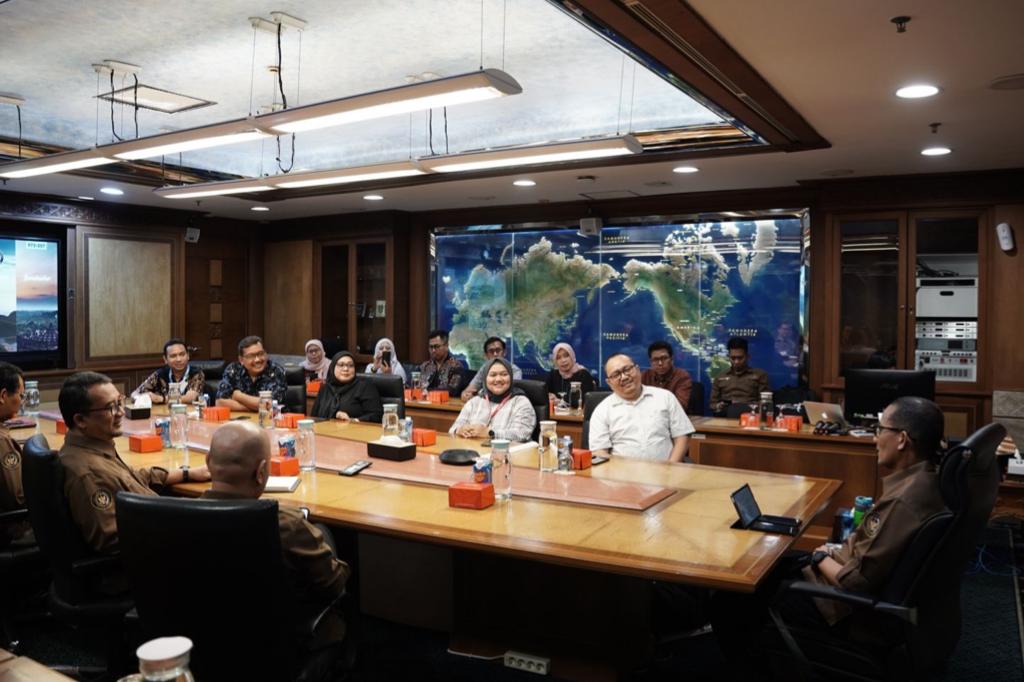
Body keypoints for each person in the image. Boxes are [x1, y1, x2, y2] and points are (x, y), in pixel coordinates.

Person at [710, 396, 948, 677]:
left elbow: (854, 582)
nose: (875, 439)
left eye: (880, 430)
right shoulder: (926, 482)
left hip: (838, 605)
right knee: (771, 561)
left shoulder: (902, 501)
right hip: (845, 574)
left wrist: (821, 556)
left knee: (732, 598)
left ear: (901, 440)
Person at [202, 420, 350, 646]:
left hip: (204, 642)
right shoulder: (286, 525)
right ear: (261, 472)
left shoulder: (175, 515)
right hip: (282, 645)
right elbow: (333, 584)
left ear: (208, 463)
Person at [58, 372, 210, 554]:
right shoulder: (88, 473)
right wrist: (183, 524)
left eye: (120, 402)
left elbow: (130, 478)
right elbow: (112, 539)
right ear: (80, 420)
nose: (121, 412)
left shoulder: (95, 448)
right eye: (111, 408)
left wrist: (187, 473)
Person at [589, 353, 695, 463]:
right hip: (621, 472)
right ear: (609, 383)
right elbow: (599, 453)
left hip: (666, 470)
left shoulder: (665, 397)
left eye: (627, 369)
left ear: (637, 369)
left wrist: (670, 467)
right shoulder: (602, 410)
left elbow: (682, 437)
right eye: (616, 375)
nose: (624, 377)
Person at [450, 358, 536, 442]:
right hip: (473, 450)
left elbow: (522, 434)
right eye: (493, 375)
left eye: (504, 374)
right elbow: (452, 429)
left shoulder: (521, 402)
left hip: (507, 451)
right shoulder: (474, 402)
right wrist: (459, 430)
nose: (498, 379)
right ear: (485, 379)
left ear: (511, 377)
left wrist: (490, 433)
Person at [0, 361, 30, 547]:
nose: (22, 401)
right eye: (21, 395)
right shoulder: (2, 441)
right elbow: (18, 499)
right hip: (11, 532)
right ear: (3, 396)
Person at [216, 336, 287, 412]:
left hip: (271, 419)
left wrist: (239, 396)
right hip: (241, 418)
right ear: (241, 360)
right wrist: (255, 407)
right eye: (251, 356)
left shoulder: (276, 371)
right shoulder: (233, 370)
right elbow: (220, 402)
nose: (257, 359)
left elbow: (270, 405)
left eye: (260, 354)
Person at [311, 351, 384, 423]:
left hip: (355, 429)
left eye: (350, 365)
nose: (346, 369)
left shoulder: (364, 386)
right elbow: (314, 416)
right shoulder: (325, 388)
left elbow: (377, 415)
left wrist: (353, 421)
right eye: (341, 365)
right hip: (324, 429)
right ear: (333, 367)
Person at [133, 338, 206, 404]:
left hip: (190, 413)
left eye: (182, 354)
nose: (178, 359)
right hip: (163, 413)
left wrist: (161, 399)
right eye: (173, 356)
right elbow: (134, 394)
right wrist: (145, 397)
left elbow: (190, 398)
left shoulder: (196, 373)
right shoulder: (160, 374)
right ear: (165, 359)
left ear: (188, 356)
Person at [709, 337, 770, 415]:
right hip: (726, 415)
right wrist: (718, 406)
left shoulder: (760, 375)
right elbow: (712, 404)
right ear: (728, 357)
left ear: (747, 357)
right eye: (733, 358)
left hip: (750, 414)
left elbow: (765, 403)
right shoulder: (720, 377)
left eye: (740, 358)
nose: (736, 362)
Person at [460, 337, 522, 401]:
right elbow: (468, 390)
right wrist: (465, 394)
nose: (495, 354)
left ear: (504, 352)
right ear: (486, 355)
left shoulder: (515, 370)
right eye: (491, 351)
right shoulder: (484, 369)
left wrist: (480, 394)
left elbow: (509, 394)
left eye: (498, 350)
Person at [641, 341, 693, 410]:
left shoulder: (682, 377)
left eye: (664, 358)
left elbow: (680, 406)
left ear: (671, 359)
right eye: (655, 359)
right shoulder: (645, 376)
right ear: (651, 362)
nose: (660, 363)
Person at [418, 329, 464, 396]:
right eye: (431, 347)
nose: (433, 350)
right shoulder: (424, 366)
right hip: (423, 401)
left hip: (446, 401)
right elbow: (415, 386)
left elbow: (452, 390)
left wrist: (428, 391)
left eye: (437, 346)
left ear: (446, 346)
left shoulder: (456, 366)